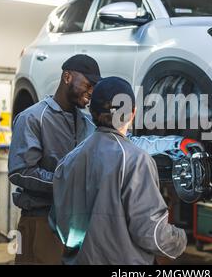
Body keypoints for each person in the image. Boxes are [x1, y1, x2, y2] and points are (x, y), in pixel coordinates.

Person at [8, 54, 198, 264]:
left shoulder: (88, 121)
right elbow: (20, 171)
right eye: (88, 84)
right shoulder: (32, 118)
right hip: (41, 219)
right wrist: (69, 182)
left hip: (78, 221)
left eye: (94, 87)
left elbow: (128, 143)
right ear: (67, 76)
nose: (91, 91)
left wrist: (175, 143)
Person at [51, 77, 187, 265]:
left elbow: (57, 224)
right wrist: (179, 239)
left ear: (91, 111)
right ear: (133, 113)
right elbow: (152, 234)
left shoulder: (68, 161)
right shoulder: (136, 160)